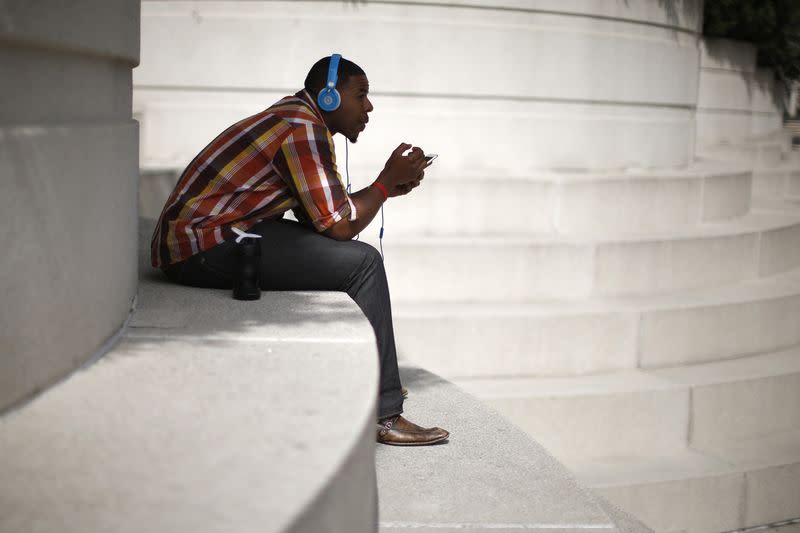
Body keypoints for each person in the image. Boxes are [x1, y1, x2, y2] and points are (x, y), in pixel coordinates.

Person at [150, 54, 449, 446]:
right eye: (361, 95)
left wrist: (384, 190)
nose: (369, 107)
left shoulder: (298, 120)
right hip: (202, 245)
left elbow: (321, 218)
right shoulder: (302, 129)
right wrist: (383, 182)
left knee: (348, 257)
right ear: (328, 97)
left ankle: (370, 382)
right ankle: (385, 413)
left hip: (204, 238)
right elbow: (340, 226)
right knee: (364, 264)